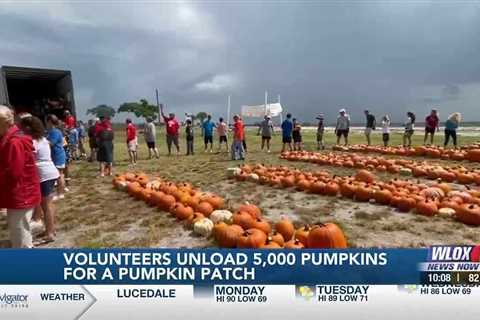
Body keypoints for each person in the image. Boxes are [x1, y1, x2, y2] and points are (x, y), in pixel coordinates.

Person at [0, 105, 41, 248]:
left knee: (20, 239)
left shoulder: (14, 142)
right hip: (21, 193)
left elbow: (13, 173)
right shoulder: (10, 137)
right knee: (19, 232)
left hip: (21, 195)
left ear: (4, 123)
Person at [19, 115, 59, 244]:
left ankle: (50, 233)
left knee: (46, 205)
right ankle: (50, 228)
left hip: (43, 174)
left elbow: (28, 158)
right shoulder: (43, 139)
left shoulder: (33, 142)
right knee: (48, 203)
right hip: (50, 172)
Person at [46, 114, 67, 200]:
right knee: (58, 174)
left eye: (46, 122)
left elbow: (51, 143)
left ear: (50, 122)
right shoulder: (54, 131)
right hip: (57, 155)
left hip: (58, 155)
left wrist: (42, 141)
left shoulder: (54, 132)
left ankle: (60, 193)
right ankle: (60, 190)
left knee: (59, 175)